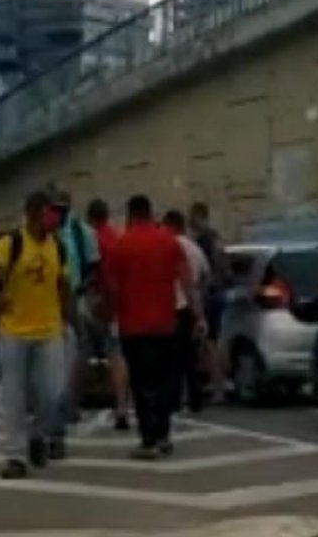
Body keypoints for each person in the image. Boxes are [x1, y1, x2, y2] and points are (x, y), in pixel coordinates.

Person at [106, 195, 204, 460]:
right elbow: (187, 282)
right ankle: (164, 435)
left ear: (130, 215)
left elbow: (113, 288)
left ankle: (148, 439)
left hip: (133, 325)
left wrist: (112, 314)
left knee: (142, 383)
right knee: (164, 381)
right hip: (166, 323)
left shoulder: (121, 245)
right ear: (150, 214)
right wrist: (198, 316)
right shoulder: (169, 242)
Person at [0, 190, 70, 479]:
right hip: (14, 332)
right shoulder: (11, 243)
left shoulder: (57, 246)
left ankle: (38, 434)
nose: (57, 218)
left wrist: (70, 320)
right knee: (14, 395)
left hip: (49, 330)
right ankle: (15, 456)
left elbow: (63, 285)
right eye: (52, 212)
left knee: (54, 391)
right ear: (36, 213)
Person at [51, 190, 101, 423]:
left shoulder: (82, 233)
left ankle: (70, 400)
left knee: (78, 352)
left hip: (75, 298)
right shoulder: (46, 232)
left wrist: (81, 290)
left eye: (62, 209)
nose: (58, 214)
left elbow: (94, 268)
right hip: (48, 300)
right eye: (55, 209)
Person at [86, 198, 130, 431]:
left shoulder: (93, 240)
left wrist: (99, 302)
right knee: (117, 356)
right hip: (122, 303)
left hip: (102, 303)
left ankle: (69, 404)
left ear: (90, 218)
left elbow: (95, 275)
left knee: (82, 351)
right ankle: (121, 406)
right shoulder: (117, 238)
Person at [163, 209, 210, 413]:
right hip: (191, 306)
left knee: (172, 358)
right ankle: (195, 397)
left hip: (172, 305)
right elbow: (206, 275)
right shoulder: (195, 248)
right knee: (190, 356)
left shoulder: (168, 245)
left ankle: (173, 399)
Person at [189, 201, 229, 404]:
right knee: (212, 342)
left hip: (209, 295)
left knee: (208, 342)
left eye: (192, 217)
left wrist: (206, 288)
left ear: (199, 216)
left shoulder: (204, 240)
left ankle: (216, 388)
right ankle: (216, 386)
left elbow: (205, 271)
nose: (190, 222)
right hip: (218, 294)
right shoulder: (216, 237)